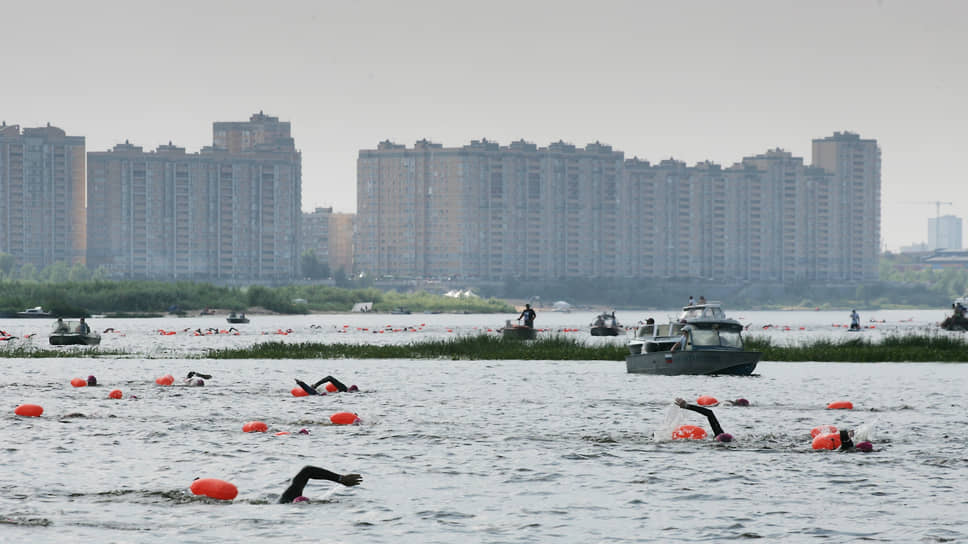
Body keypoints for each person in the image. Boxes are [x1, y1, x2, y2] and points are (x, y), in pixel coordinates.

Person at [279, 465, 362, 504]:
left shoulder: (286, 499)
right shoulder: (286, 499)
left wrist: (340, 479)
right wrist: (340, 479)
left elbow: (307, 471)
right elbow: (307, 470)